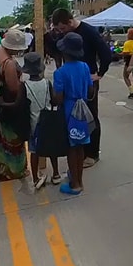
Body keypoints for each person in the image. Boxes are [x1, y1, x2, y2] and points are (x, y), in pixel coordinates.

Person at [50, 8, 113, 167]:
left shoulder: (89, 31)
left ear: (70, 21)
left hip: (87, 78)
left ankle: (92, 153)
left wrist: (100, 73)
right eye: (58, 30)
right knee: (74, 117)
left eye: (63, 28)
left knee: (90, 115)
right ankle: (80, 150)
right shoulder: (65, 36)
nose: (61, 32)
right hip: (71, 77)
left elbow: (106, 53)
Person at [53, 32, 94, 195]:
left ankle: (75, 184)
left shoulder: (60, 72)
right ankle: (80, 179)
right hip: (83, 109)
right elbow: (91, 90)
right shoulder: (84, 67)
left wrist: (53, 100)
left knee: (71, 148)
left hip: (69, 112)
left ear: (64, 52)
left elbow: (59, 97)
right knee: (81, 145)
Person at [0, 29, 30, 180]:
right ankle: (13, 170)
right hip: (6, 100)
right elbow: (13, 87)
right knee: (12, 135)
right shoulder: (9, 63)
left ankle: (0, 167)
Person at [22, 52, 60, 189]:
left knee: (34, 151)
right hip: (48, 122)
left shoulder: (24, 86)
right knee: (52, 149)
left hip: (33, 124)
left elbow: (23, 105)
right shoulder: (47, 83)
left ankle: (35, 178)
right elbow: (54, 101)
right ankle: (56, 174)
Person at [121, 28, 133, 99]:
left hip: (129, 60)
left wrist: (119, 53)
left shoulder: (127, 43)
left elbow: (125, 53)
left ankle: (132, 90)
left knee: (125, 76)